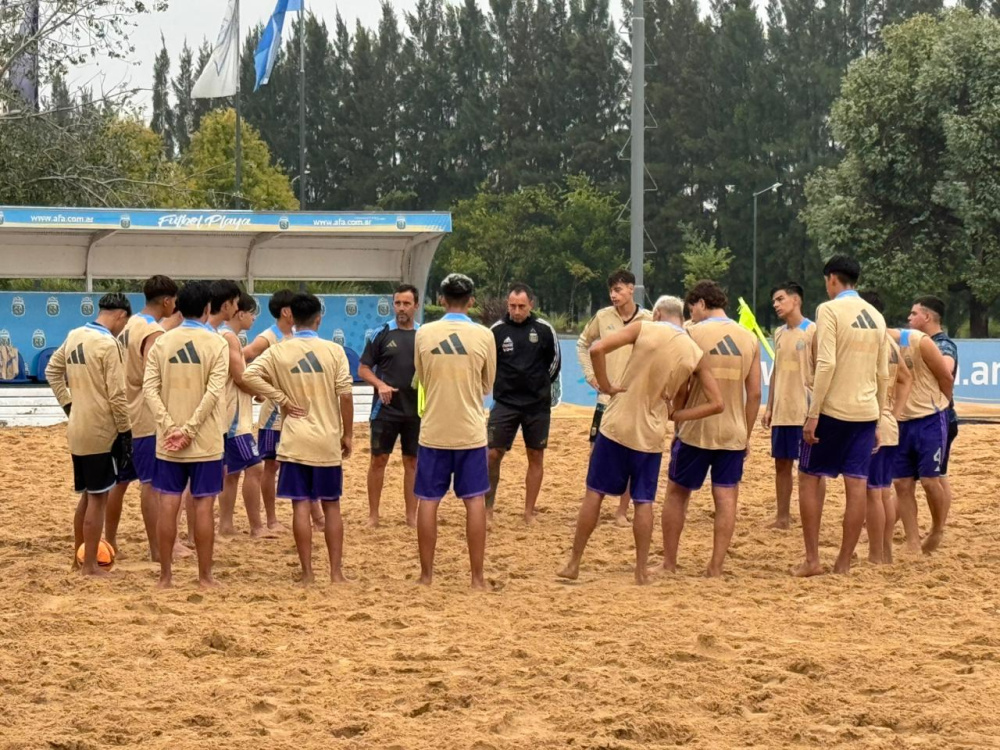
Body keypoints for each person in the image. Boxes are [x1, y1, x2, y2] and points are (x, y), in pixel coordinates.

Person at [558, 296, 723, 584]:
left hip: (616, 425)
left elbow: (596, 348)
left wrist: (607, 386)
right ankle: (640, 571)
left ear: (657, 313)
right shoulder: (694, 351)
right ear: (681, 317)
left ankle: (574, 563)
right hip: (651, 434)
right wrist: (677, 416)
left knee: (594, 493)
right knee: (643, 501)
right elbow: (717, 403)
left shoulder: (644, 327)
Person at [242, 293, 353, 584]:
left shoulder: (280, 350)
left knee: (300, 506)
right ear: (318, 318)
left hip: (294, 440)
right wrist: (348, 434)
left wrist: (280, 398)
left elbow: (249, 374)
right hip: (326, 439)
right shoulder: (334, 351)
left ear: (293, 319)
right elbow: (345, 395)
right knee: (331, 506)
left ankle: (307, 573)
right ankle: (336, 573)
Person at [795, 256, 890, 577]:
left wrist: (813, 413)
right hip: (866, 412)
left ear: (832, 279)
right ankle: (844, 563)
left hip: (833, 410)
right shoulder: (876, 316)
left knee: (809, 477)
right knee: (857, 485)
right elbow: (883, 374)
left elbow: (827, 363)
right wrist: (878, 420)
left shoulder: (829, 310)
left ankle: (812, 559)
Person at [661, 281, 761, 578]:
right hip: (732, 432)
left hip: (696, 429)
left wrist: (677, 422)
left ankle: (669, 563)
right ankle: (715, 567)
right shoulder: (749, 338)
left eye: (692, 308)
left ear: (702, 304)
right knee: (726, 498)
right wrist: (745, 434)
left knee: (677, 493)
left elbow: (682, 385)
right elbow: (755, 394)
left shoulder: (691, 333)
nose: (691, 314)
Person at [144, 280, 230, 589]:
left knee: (169, 503)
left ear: (179, 308)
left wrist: (170, 427)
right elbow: (213, 392)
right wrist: (190, 429)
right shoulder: (217, 343)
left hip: (169, 441)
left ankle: (165, 576)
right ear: (207, 308)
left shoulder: (162, 342)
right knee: (204, 505)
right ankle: (204, 576)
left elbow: (149, 389)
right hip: (205, 440)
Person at [413, 274, 496, 589]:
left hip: (434, 429)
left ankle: (426, 576)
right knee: (474, 501)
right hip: (470, 430)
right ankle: (477, 578)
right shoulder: (484, 335)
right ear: (471, 301)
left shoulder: (425, 333)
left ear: (441, 300)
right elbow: (487, 384)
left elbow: (422, 376)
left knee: (428, 500)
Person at [46, 293, 133, 577]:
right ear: (120, 315)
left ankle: (79, 558)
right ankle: (90, 565)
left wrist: (69, 405)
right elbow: (117, 395)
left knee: (87, 495)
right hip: (100, 430)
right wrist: (125, 432)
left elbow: (52, 370)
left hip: (77, 427)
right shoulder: (108, 344)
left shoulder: (75, 335)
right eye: (124, 323)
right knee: (98, 498)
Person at [107, 275, 179, 560]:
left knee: (119, 483)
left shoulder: (130, 324)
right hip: (145, 418)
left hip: (122, 413)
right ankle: (156, 549)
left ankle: (110, 542)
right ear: (167, 301)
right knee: (151, 485)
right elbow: (153, 376)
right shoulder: (153, 333)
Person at [576, 270, 653, 526]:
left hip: (634, 398)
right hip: (606, 397)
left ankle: (622, 510)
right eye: (611, 290)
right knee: (596, 451)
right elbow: (583, 343)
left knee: (632, 454)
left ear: (632, 289)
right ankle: (593, 506)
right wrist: (590, 375)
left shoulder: (648, 319)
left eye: (618, 289)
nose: (613, 295)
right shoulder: (603, 316)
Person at [487, 283, 561, 525]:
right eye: (512, 306)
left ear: (531, 304)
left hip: (536, 405)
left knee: (535, 455)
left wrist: (538, 385)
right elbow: (488, 364)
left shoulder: (544, 329)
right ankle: (488, 509)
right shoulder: (496, 331)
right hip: (505, 403)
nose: (516, 311)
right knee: (492, 454)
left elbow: (555, 363)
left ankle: (529, 512)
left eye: (521, 306)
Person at [358, 284, 421, 528]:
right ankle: (373, 515)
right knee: (378, 460)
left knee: (412, 462)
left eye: (406, 303)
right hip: (384, 410)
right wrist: (380, 384)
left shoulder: (424, 335)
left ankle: (412, 516)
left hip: (416, 410)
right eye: (398, 303)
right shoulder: (381, 333)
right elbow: (363, 368)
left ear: (416, 305)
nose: (401, 308)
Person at [891, 315, 955, 554]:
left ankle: (937, 529)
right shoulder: (870, 347)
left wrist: (943, 405)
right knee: (902, 483)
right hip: (901, 421)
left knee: (930, 480)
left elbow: (946, 376)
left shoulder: (919, 341)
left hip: (930, 417)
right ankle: (912, 542)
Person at [860, 292, 912, 565]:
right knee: (883, 490)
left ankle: (875, 554)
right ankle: (886, 552)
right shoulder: (890, 342)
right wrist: (896, 412)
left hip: (875, 423)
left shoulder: (872, 342)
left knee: (874, 492)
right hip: (889, 423)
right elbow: (905, 378)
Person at [761, 282, 818, 530]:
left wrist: (816, 410)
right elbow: (776, 371)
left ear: (796, 300)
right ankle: (782, 517)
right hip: (783, 410)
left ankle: (813, 517)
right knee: (781, 464)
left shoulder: (813, 330)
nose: (775, 304)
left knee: (811, 470)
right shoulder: (779, 333)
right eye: (774, 300)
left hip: (805, 410)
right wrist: (769, 406)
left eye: (780, 299)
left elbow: (822, 369)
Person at [213, 289, 269, 538]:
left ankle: (226, 525)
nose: (254, 319)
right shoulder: (229, 338)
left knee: (231, 472)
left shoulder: (224, 336)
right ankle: (256, 527)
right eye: (251, 313)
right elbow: (240, 377)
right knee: (255, 468)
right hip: (234, 417)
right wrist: (261, 392)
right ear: (240, 313)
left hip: (229, 414)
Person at [244, 289, 296, 533]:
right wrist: (256, 388)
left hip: (293, 411)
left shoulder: (295, 335)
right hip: (274, 414)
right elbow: (244, 357)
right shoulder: (268, 337)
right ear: (286, 311)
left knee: (297, 462)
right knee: (271, 466)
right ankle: (272, 519)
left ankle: (316, 517)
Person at [908, 295, 959, 534]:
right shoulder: (924, 342)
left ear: (927, 317)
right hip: (926, 416)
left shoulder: (942, 344)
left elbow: (946, 369)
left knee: (936, 478)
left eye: (914, 313)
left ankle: (938, 527)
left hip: (940, 417)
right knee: (924, 478)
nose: (909, 318)